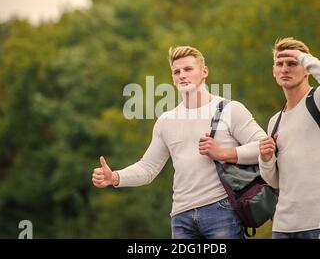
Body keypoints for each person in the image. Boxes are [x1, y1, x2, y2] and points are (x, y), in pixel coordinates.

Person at [92, 46, 267, 239]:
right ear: (173, 78)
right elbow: (148, 168)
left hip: (221, 210)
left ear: (204, 72)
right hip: (181, 216)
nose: (182, 75)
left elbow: (264, 147)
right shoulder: (166, 121)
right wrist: (115, 177)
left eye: (188, 69)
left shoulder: (229, 109)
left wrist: (223, 154)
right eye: (177, 71)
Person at [258, 37, 320, 239]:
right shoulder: (275, 120)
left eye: (292, 63)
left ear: (307, 69)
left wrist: (304, 57)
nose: (285, 69)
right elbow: (274, 181)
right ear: (273, 71)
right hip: (284, 227)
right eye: (279, 64)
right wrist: (266, 159)